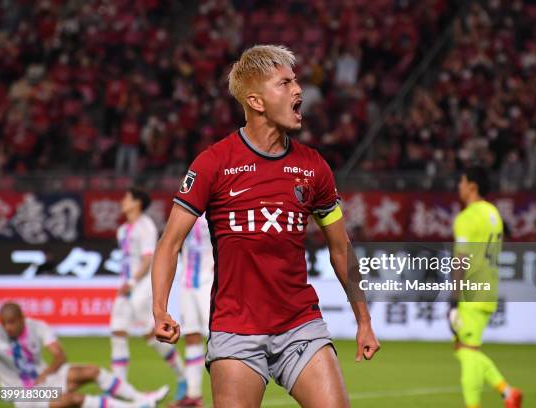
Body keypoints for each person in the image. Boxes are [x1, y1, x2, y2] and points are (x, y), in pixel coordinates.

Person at [151, 44, 380, 408]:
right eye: (285, 84)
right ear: (257, 102)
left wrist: (363, 319)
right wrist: (160, 309)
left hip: (300, 325)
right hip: (235, 330)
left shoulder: (313, 167)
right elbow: (169, 243)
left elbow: (341, 248)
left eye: (296, 81)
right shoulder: (214, 164)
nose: (298, 90)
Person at [0, 302, 168, 408]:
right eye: (4, 323)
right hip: (20, 393)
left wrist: (46, 373)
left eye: (11, 322)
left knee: (91, 371)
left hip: (44, 380)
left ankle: (139, 398)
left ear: (22, 319)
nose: (7, 327)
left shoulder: (37, 327)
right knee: (74, 400)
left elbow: (59, 355)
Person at [449, 166, 523, 408]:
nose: (458, 187)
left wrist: (453, 298)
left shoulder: (467, 217)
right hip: (489, 288)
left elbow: (461, 259)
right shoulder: (493, 213)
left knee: (467, 352)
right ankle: (507, 392)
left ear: (472, 186)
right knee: (465, 348)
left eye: (461, 182)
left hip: (471, 292)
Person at [110, 187, 187, 400]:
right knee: (117, 332)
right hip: (126, 286)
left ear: (137, 202)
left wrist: (133, 281)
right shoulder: (123, 230)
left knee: (150, 334)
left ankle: (182, 378)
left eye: (126, 198)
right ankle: (120, 390)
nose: (122, 201)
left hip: (142, 285)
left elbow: (147, 259)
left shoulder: (145, 226)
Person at [170, 215, 214, 408]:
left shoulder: (214, 209)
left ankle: (229, 393)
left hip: (209, 282)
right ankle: (193, 395)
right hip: (187, 282)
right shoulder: (184, 211)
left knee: (216, 337)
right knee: (191, 336)